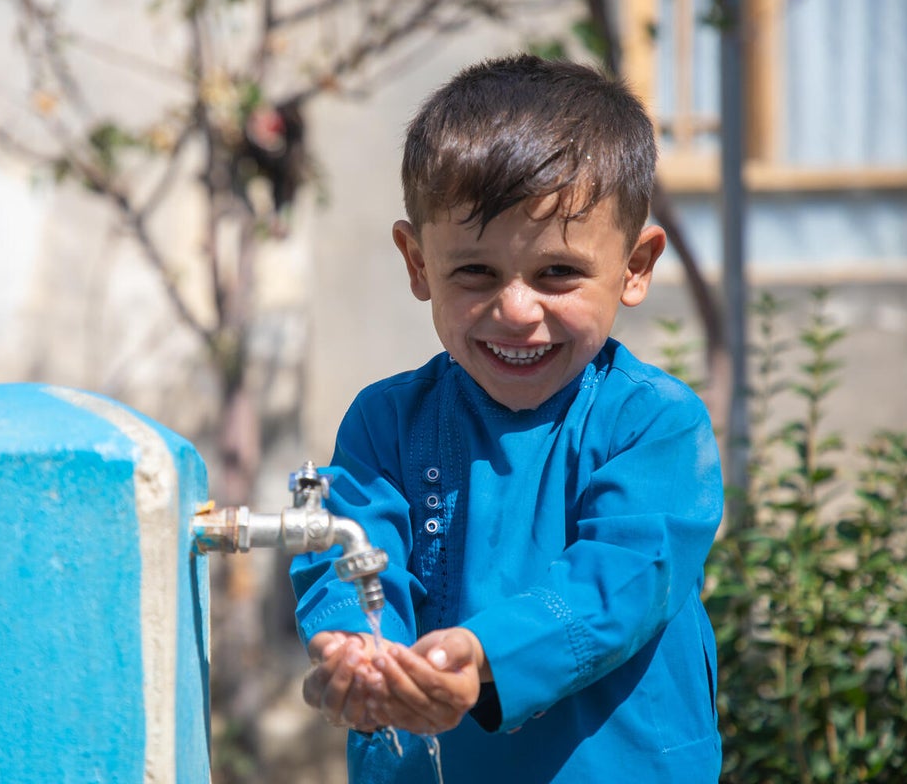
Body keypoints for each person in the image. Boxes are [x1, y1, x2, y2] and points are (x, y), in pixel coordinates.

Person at [289, 54, 724, 783]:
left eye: (558, 273)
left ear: (637, 265)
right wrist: (353, 652)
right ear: (418, 262)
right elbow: (350, 551)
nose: (517, 310)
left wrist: (482, 658)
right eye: (475, 274)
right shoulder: (385, 423)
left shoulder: (654, 425)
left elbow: (619, 581)